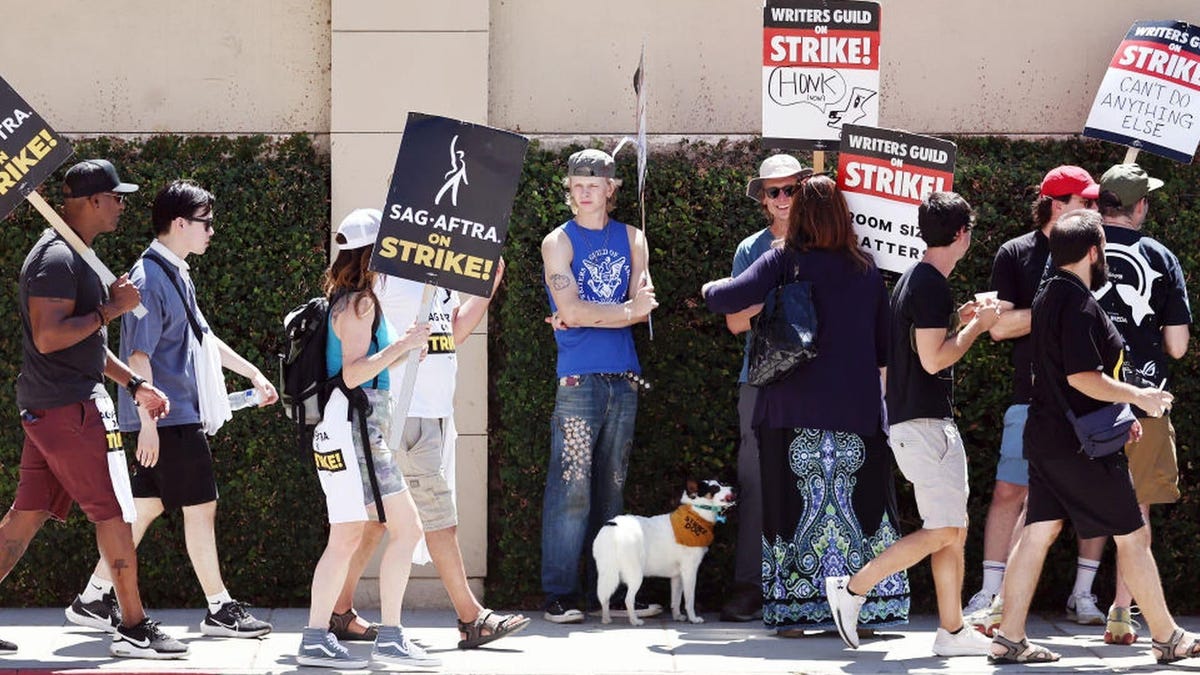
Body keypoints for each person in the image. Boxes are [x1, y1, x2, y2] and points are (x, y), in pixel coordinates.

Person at [64, 180, 275, 639]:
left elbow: (201, 337)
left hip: (168, 416)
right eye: (205, 223)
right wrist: (149, 426)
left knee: (146, 509)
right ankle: (220, 609)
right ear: (179, 224)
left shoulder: (174, 270)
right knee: (201, 507)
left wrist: (252, 371)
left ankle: (93, 598)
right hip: (168, 417)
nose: (211, 231)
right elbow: (139, 357)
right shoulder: (148, 277)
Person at [988, 209, 1198, 665]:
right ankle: (1167, 637)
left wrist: (1120, 410)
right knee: (1132, 534)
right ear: (1093, 251)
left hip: (1047, 438)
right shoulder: (1079, 303)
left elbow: (1066, 378)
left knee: (1038, 532)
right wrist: (1140, 396)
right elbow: (1083, 377)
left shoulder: (1047, 296)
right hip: (1081, 448)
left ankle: (1009, 637)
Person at [703, 175, 910, 636]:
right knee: (857, 513)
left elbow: (725, 298)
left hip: (790, 412)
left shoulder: (784, 260)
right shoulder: (867, 269)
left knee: (792, 512)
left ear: (798, 215)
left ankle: (797, 617)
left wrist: (705, 287)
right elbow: (883, 349)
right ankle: (863, 609)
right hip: (855, 414)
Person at [324, 209, 530, 649]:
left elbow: (450, 335)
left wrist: (486, 291)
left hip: (432, 410)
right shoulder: (384, 283)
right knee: (436, 519)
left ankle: (338, 612)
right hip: (404, 413)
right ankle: (470, 618)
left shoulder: (427, 276)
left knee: (378, 522)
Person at [11, 159, 186, 658]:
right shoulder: (57, 259)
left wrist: (134, 384)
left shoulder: (78, 256)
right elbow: (49, 337)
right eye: (115, 196)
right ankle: (133, 628)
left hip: (57, 408)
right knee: (114, 513)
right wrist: (113, 308)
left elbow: (84, 341)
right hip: (69, 410)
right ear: (91, 202)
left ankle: (131, 623)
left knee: (24, 517)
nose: (122, 205)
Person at [825, 192, 1000, 657]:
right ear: (961, 234)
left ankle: (952, 631)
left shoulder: (914, 280)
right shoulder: (929, 284)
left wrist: (958, 319)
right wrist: (977, 328)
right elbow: (934, 358)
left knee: (951, 528)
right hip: (924, 426)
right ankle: (853, 588)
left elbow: (918, 345)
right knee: (944, 530)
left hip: (919, 424)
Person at [967, 166, 1106, 629]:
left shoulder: (1095, 252)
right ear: (1055, 203)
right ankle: (990, 593)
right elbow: (1000, 327)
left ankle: (1083, 595)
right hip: (1028, 398)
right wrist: (1054, 309)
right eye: (1084, 201)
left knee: (1097, 497)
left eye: (1093, 201)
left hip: (1088, 398)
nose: (1092, 209)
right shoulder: (1016, 253)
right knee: (1010, 491)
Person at [296, 210, 435, 669]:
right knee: (405, 529)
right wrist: (405, 345)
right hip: (358, 431)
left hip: (344, 429)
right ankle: (389, 636)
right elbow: (354, 374)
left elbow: (358, 371)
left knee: (347, 535)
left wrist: (400, 350)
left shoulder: (343, 300)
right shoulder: (360, 305)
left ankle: (318, 636)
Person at [540, 148, 658, 623]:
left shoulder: (634, 238)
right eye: (577, 183)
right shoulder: (557, 242)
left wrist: (600, 314)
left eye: (595, 183)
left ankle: (609, 592)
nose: (585, 190)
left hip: (624, 377)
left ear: (611, 188)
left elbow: (644, 305)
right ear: (569, 189)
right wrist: (626, 313)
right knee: (570, 487)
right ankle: (561, 592)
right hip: (577, 379)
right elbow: (572, 312)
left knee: (612, 488)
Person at [1093, 164, 1191, 645]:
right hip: (1144, 401)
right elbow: (1176, 346)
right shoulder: (1161, 256)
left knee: (1045, 511)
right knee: (1138, 511)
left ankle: (1008, 614)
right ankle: (1121, 612)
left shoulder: (1072, 246)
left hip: (1082, 399)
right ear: (1138, 206)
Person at [718, 154, 811, 623]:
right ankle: (749, 587)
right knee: (755, 484)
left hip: (817, 382)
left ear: (803, 189)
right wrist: (778, 293)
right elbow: (735, 321)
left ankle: (805, 588)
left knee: (813, 484)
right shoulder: (749, 250)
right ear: (762, 199)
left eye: (789, 189)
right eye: (772, 192)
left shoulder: (825, 244)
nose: (781, 199)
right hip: (760, 379)